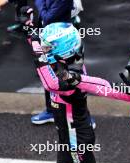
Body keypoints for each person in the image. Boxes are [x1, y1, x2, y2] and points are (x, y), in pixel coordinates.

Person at [34, 22, 99, 163]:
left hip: (78, 142)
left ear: (63, 48)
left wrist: (38, 54)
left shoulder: (73, 75)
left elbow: (51, 84)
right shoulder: (65, 61)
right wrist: (31, 33)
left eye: (49, 48)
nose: (44, 51)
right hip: (66, 139)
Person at [31, 0, 97, 128]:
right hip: (49, 38)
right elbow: (44, 17)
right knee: (50, 74)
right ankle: (51, 111)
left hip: (65, 41)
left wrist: (39, 2)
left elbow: (48, 17)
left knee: (74, 77)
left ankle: (84, 117)